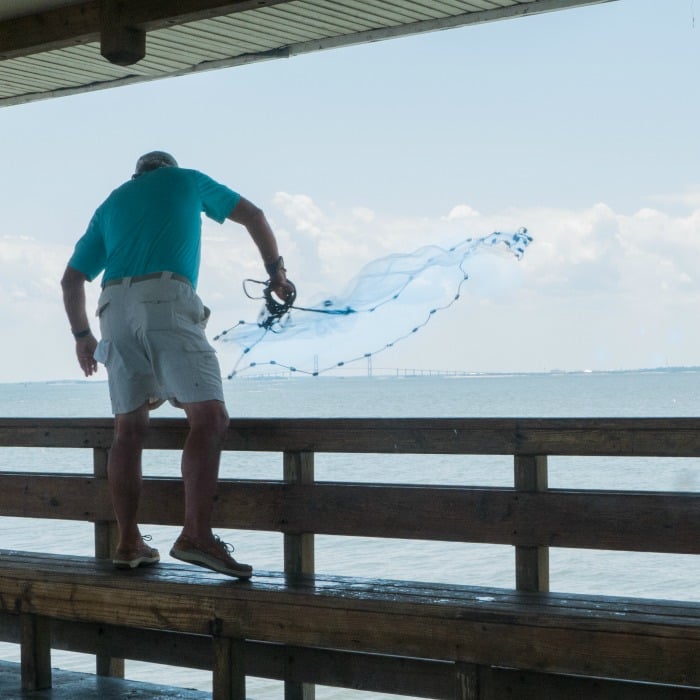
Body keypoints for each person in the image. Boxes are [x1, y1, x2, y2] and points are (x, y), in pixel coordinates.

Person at [61, 151, 293, 579]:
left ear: (136, 176)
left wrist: (82, 338)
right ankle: (196, 535)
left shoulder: (113, 202)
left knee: (128, 430)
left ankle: (129, 541)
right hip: (165, 298)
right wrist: (276, 274)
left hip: (112, 308)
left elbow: (72, 279)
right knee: (209, 416)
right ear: (168, 169)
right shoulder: (186, 178)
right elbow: (255, 216)